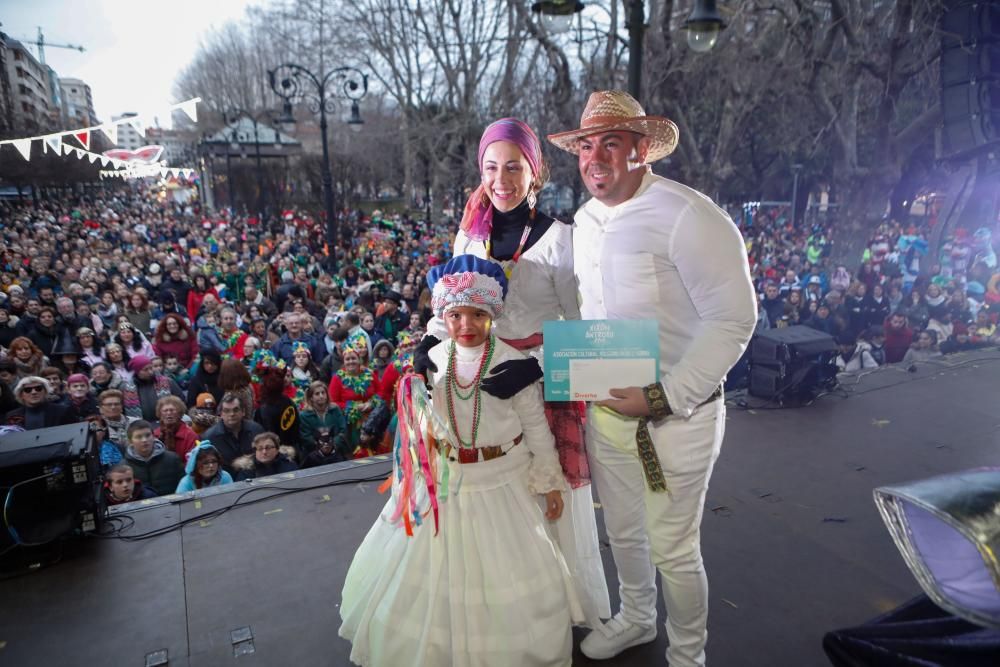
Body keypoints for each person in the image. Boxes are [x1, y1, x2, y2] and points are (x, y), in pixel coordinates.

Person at [546, 90, 757, 665]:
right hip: (609, 414)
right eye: (586, 146)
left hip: (679, 419)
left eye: (610, 144)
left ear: (642, 150)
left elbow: (736, 319)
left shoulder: (691, 217)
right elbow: (591, 315)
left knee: (674, 547)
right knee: (625, 532)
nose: (594, 158)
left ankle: (688, 656)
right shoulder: (585, 221)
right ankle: (637, 619)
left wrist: (664, 396)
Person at [339, 255, 581, 667]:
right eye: (455, 315)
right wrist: (416, 388)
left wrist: (549, 479)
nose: (466, 324)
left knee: (502, 569)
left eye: (477, 315)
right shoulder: (432, 360)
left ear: (493, 315)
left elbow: (537, 428)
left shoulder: (515, 367)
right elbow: (421, 427)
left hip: (503, 480)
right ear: (442, 316)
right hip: (445, 483)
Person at [201, 392, 264, 471]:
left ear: (243, 412)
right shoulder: (210, 438)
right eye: (227, 411)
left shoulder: (256, 430)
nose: (231, 414)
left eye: (236, 410)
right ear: (221, 414)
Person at [122, 419, 185, 496]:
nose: (144, 440)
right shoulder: (124, 466)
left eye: (148, 435)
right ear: (130, 441)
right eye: (139, 437)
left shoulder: (172, 459)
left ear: (154, 436)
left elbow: (183, 486)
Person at [299, 381, 349, 460]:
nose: (321, 396)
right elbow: (306, 438)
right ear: (311, 398)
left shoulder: (335, 409)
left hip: (337, 452)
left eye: (323, 393)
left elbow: (343, 430)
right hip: (314, 456)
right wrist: (323, 447)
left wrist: (332, 445)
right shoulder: (304, 415)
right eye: (317, 394)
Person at [4, 376, 73, 429]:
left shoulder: (62, 411)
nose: (34, 392)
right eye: (28, 390)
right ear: (21, 395)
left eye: (38, 388)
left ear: (45, 391)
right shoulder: (12, 416)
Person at [232, 431, 299, 481]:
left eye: (268, 448)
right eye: (260, 448)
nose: (264, 452)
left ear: (277, 449)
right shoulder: (246, 470)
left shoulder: (289, 465)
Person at [154, 396, 199, 463]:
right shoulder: (155, 435)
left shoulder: (190, 436)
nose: (169, 413)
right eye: (165, 411)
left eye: (172, 410)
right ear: (160, 414)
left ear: (179, 413)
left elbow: (191, 462)